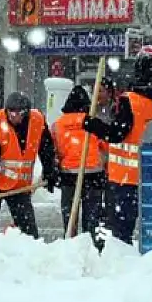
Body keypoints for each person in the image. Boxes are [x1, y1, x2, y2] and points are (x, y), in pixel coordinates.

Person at [81, 47, 152, 244]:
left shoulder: (130, 100)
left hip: (126, 179)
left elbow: (117, 134)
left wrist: (93, 125)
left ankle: (120, 263)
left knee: (121, 232)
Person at [0, 91, 58, 245]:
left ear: (26, 112)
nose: (13, 116)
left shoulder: (37, 121)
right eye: (10, 112)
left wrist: (50, 172)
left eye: (18, 113)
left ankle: (29, 257)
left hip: (20, 187)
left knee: (29, 233)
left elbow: (46, 150)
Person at [52, 85, 106, 240]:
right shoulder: (93, 122)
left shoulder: (58, 125)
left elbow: (52, 151)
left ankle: (71, 242)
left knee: (70, 217)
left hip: (68, 176)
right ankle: (90, 245)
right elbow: (106, 146)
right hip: (94, 175)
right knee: (92, 218)